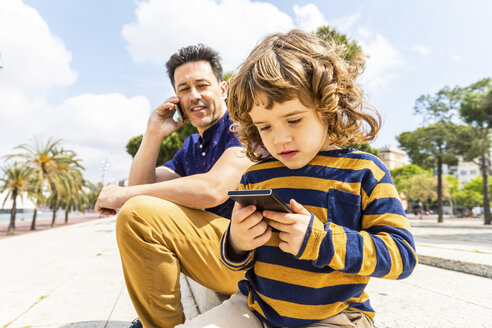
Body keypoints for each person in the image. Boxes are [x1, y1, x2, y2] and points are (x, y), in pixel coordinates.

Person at [178, 30, 417, 327]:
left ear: (328, 105)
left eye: (294, 120)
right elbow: (236, 259)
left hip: (336, 316)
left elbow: (401, 256)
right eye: (264, 127)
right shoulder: (255, 175)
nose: (280, 139)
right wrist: (237, 242)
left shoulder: (366, 172)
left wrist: (321, 240)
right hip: (255, 310)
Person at [95, 44, 253, 328]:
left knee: (137, 214)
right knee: (137, 212)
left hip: (251, 256)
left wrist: (121, 195)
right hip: (220, 254)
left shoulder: (243, 126)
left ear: (223, 88)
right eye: (184, 89)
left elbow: (213, 189)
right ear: (176, 97)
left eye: (202, 85)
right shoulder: (193, 145)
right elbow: (141, 188)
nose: (194, 96)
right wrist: (153, 132)